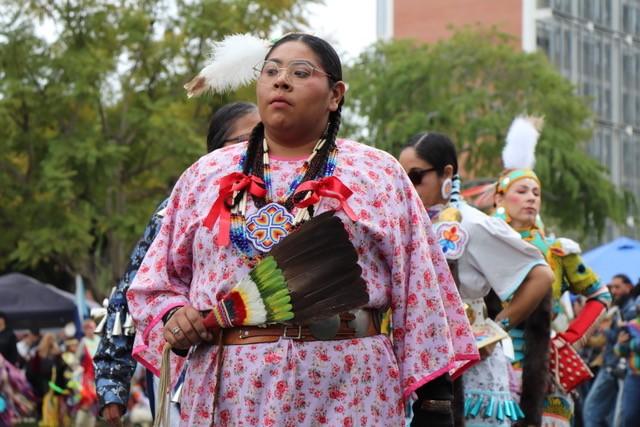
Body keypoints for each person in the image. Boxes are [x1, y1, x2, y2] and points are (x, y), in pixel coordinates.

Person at [128, 33, 478, 426]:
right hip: (232, 394)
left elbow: (422, 290)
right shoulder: (205, 176)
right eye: (271, 71)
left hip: (349, 389)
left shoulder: (377, 174)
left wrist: (435, 404)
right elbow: (153, 284)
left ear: (335, 95)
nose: (281, 81)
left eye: (300, 72)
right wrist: (175, 314)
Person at [94, 101, 259, 426]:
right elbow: (136, 287)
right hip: (196, 364)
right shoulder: (187, 200)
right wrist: (112, 382)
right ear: (215, 151)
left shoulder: (291, 201)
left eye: (262, 137)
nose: (255, 147)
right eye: (244, 140)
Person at [398, 132, 553, 426]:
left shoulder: (471, 223)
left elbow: (540, 275)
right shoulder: (406, 224)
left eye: (416, 176)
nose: (409, 186)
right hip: (417, 365)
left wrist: (495, 329)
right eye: (403, 177)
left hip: (469, 375)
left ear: (447, 174)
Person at [493, 116, 611, 427]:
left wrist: (571, 337)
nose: (531, 197)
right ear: (499, 197)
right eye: (522, 190)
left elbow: (600, 294)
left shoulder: (559, 249)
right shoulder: (484, 242)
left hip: (545, 364)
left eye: (536, 192)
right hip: (492, 361)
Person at [584, 274, 637, 427]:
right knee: (604, 414)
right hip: (612, 367)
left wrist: (606, 330)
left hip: (619, 369)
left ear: (629, 287)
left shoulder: (631, 310)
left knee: (595, 412)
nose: (614, 291)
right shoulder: (619, 309)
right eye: (612, 287)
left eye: (617, 287)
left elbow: (625, 340)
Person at [614, 295, 640, 427]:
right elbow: (619, 352)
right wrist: (621, 344)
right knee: (630, 417)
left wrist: (633, 343)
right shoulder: (631, 326)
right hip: (634, 377)